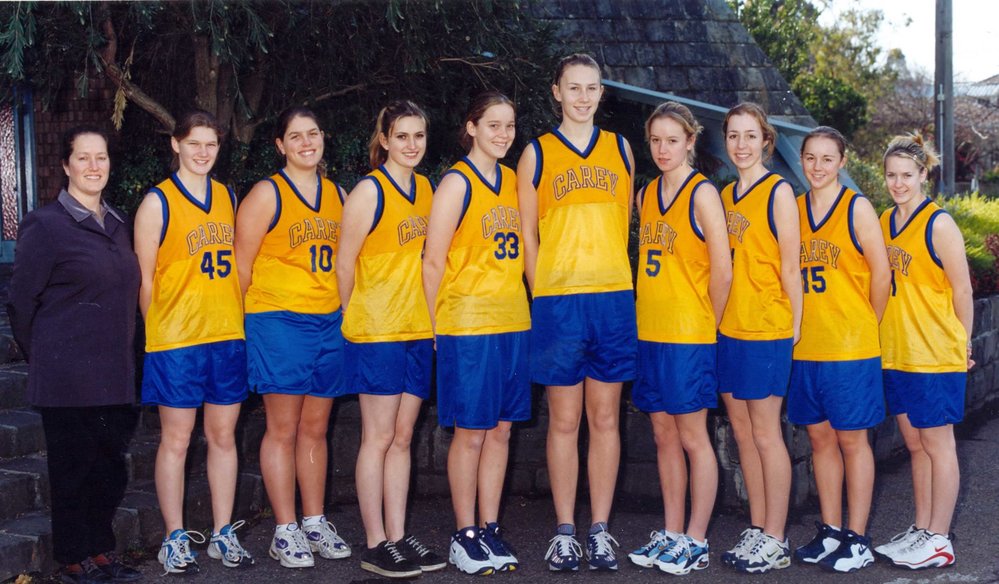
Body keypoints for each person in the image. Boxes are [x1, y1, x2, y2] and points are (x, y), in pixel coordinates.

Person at [516, 53, 636, 572]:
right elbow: (527, 235)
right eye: (574, 87)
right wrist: (543, 292)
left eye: (592, 88)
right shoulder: (537, 154)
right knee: (564, 420)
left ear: (601, 93)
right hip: (560, 302)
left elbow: (627, 221)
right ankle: (565, 530)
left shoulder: (622, 150)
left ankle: (601, 530)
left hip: (612, 297)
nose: (583, 96)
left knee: (606, 418)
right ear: (556, 92)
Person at [7, 126, 141, 584]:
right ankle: (71, 557)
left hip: (114, 374)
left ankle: (101, 551)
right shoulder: (45, 225)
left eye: (100, 157)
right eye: (82, 158)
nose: (93, 166)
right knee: (73, 471)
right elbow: (22, 303)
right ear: (65, 165)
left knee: (108, 470)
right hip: (68, 377)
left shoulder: (119, 223)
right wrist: (47, 355)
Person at [134, 110, 254, 574]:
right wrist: (158, 334)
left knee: (223, 436)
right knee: (177, 440)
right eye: (194, 144)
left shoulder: (227, 195)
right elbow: (145, 280)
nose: (203, 153)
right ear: (175, 145)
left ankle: (223, 533)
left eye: (211, 145)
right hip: (177, 340)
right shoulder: (157, 203)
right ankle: (174, 537)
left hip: (225, 335)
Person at [235, 106, 351, 569]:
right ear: (280, 145)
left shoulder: (340, 194)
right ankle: (285, 529)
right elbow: (241, 266)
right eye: (295, 136)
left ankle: (314, 519)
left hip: (327, 320)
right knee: (282, 427)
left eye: (314, 134)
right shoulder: (267, 193)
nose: (307, 143)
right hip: (279, 319)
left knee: (316, 428)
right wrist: (245, 328)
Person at [422, 92, 530, 576]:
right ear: (471, 127)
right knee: (471, 432)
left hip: (512, 320)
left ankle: (489, 527)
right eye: (493, 125)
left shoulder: (512, 180)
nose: (503, 134)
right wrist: (434, 329)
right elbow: (432, 261)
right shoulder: (455, 183)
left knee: (502, 430)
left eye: (509, 125)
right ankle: (463, 534)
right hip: (467, 322)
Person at [336, 100, 445, 579]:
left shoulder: (427, 188)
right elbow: (344, 264)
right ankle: (375, 541)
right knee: (377, 437)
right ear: (383, 139)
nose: (412, 145)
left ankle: (398, 536)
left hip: (418, 327)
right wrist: (354, 314)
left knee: (403, 437)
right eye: (402, 136)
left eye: (418, 135)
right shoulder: (367, 191)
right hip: (378, 328)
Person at [626, 102, 730, 576]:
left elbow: (723, 272)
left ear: (691, 140)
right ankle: (671, 533)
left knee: (693, 437)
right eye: (655, 140)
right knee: (663, 435)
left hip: (689, 335)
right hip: (650, 331)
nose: (663, 149)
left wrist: (709, 324)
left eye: (673, 140)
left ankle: (697, 538)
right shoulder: (647, 193)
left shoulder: (702, 193)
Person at [788, 126, 890, 573]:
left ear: (842, 161)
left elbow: (882, 276)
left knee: (852, 440)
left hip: (850, 346)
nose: (817, 166)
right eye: (810, 157)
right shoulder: (792, 209)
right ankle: (830, 531)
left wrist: (864, 321)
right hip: (807, 345)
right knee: (819, 439)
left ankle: (858, 537)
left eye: (827, 158)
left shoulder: (857, 208)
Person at [873, 134, 973, 569]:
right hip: (898, 351)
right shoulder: (883, 221)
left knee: (938, 444)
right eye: (892, 176)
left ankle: (939, 537)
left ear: (923, 175)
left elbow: (964, 288)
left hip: (934, 352)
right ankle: (921, 527)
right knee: (915, 445)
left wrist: (964, 342)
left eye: (906, 176)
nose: (898, 184)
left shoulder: (939, 224)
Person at [716, 102, 801, 574]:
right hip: (729, 327)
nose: (741, 145)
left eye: (750, 136)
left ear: (766, 140)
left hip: (767, 326)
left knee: (767, 434)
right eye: (733, 136)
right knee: (743, 433)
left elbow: (791, 266)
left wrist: (796, 325)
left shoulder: (779, 192)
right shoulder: (726, 196)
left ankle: (777, 536)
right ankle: (757, 526)